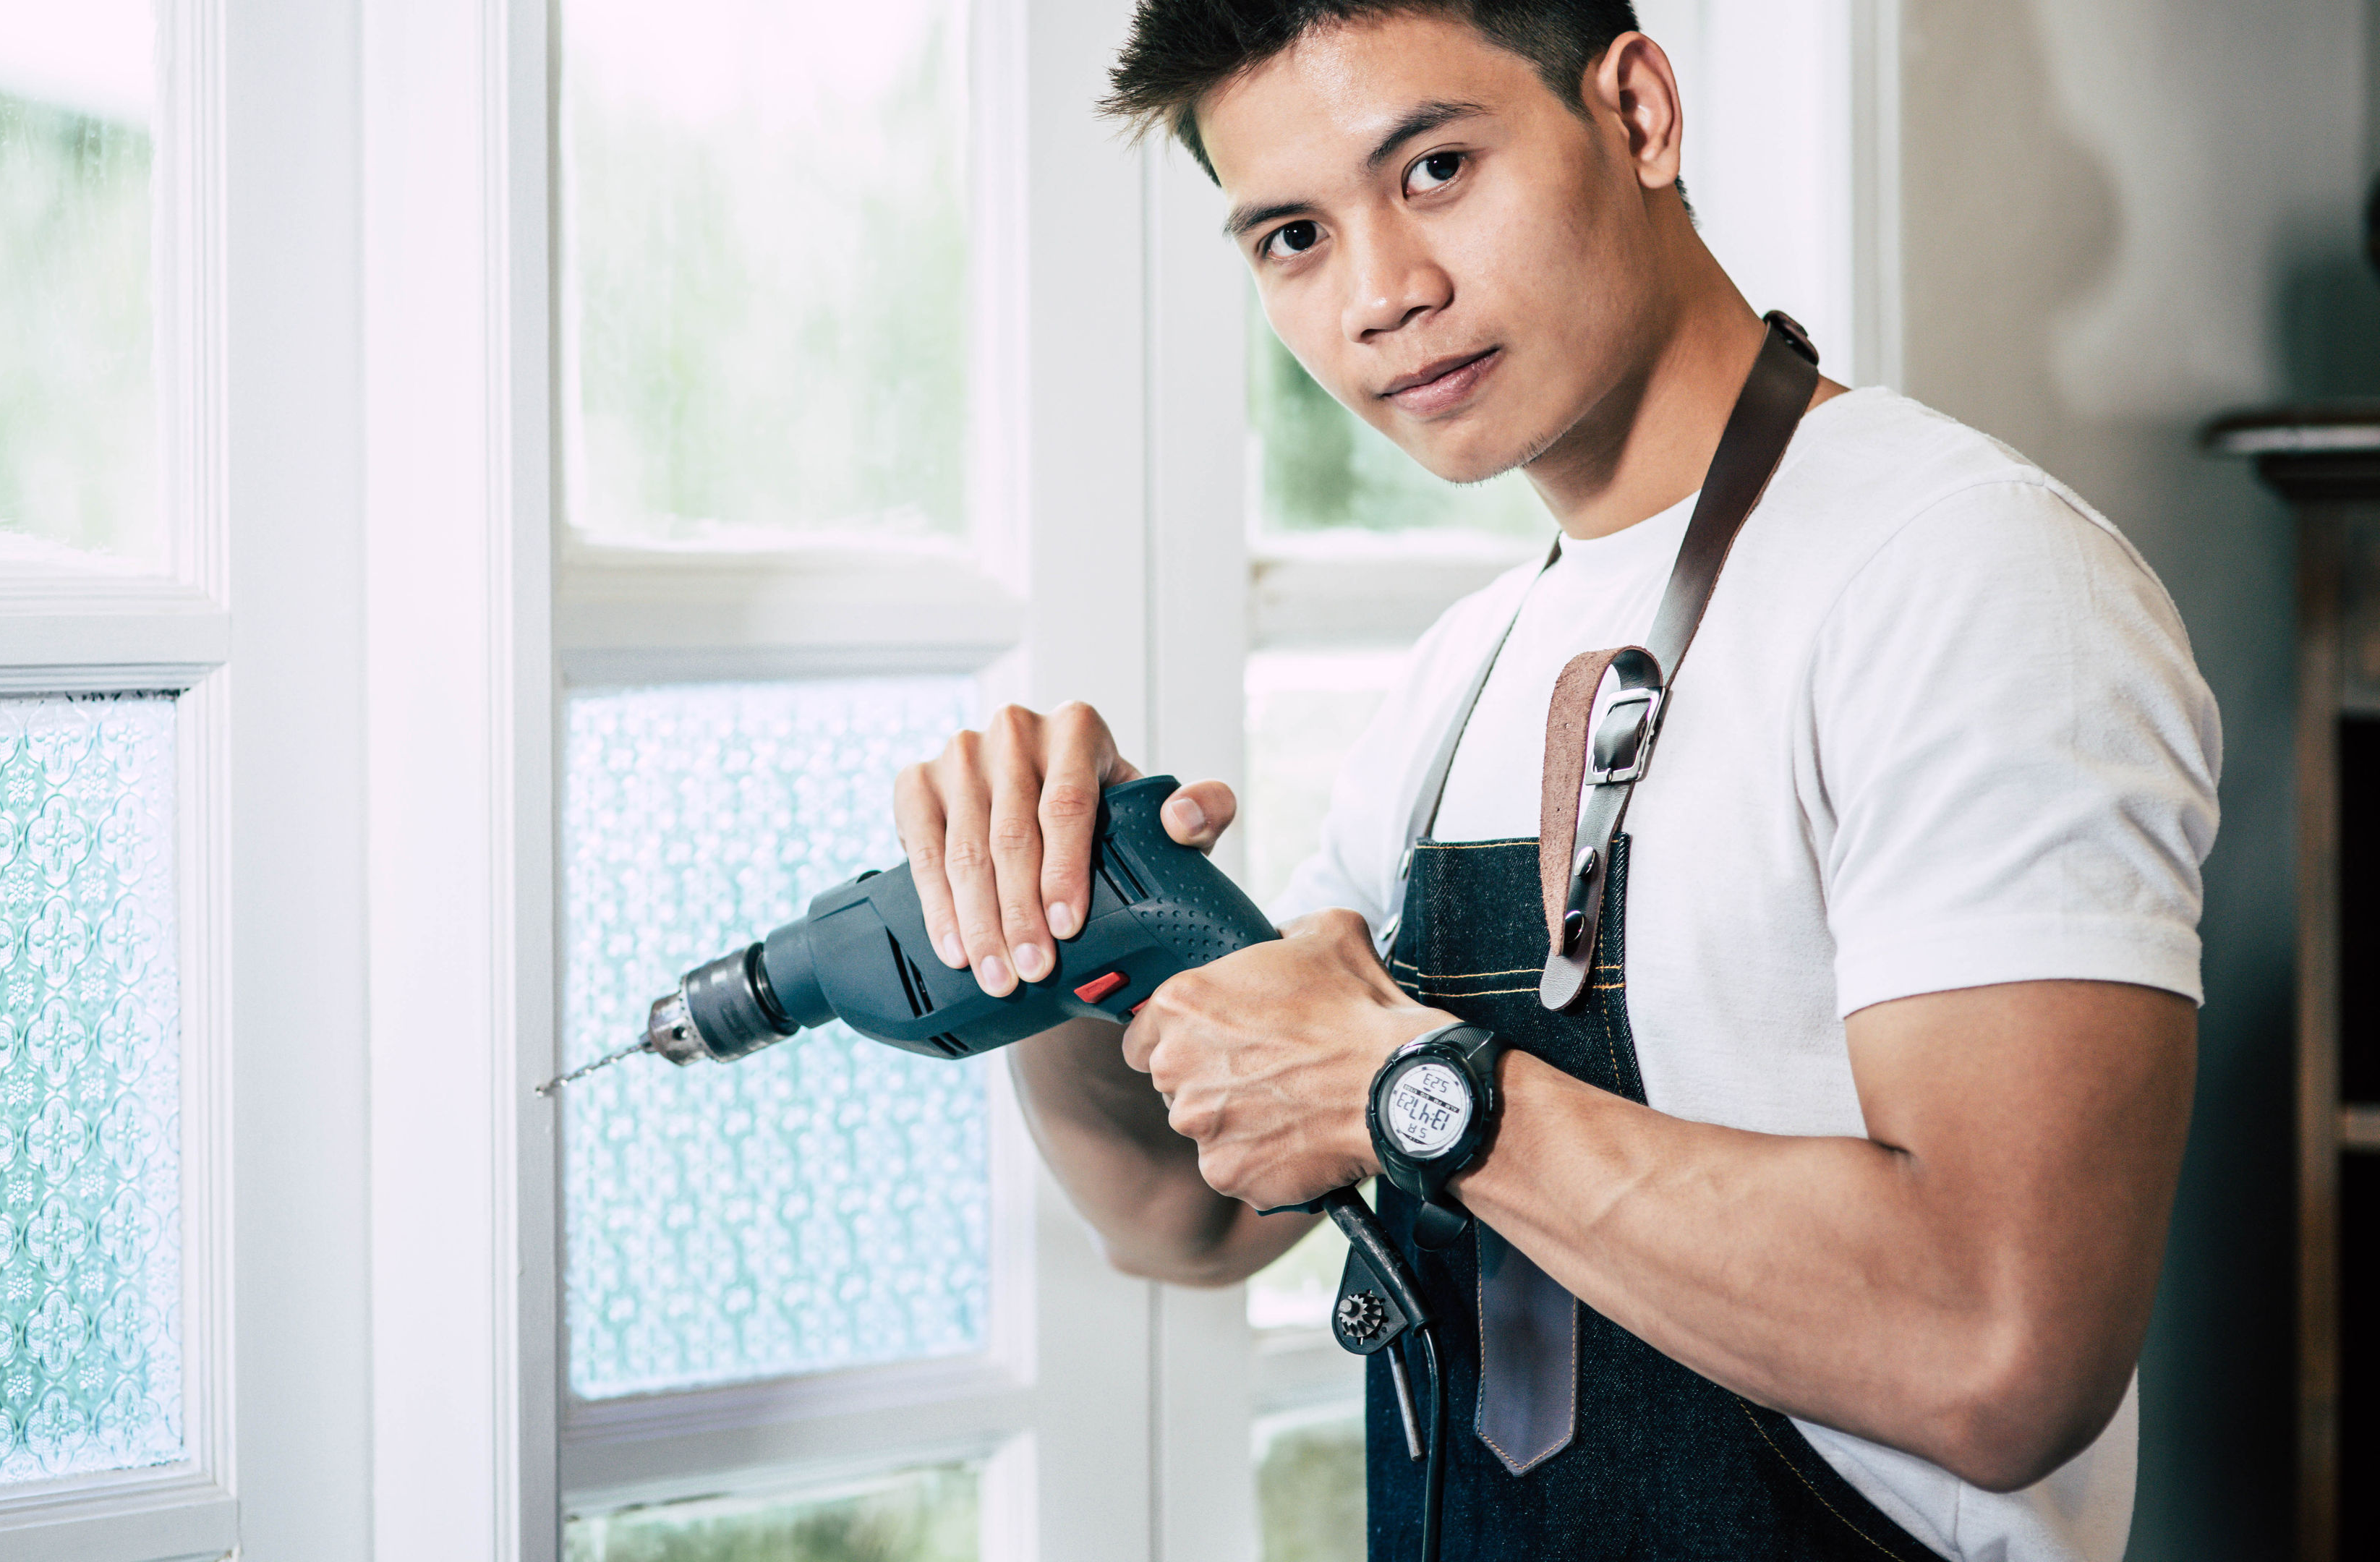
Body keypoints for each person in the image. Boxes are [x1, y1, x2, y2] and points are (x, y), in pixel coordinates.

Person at [889, 1, 2220, 1558]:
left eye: (1438, 166)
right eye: (1294, 238)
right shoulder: (1462, 671)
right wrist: (1055, 933)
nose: (1386, 294)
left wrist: (1413, 1092)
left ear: (1641, 113)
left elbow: (2004, 1353)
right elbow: (1184, 1215)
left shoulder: (1968, 579)